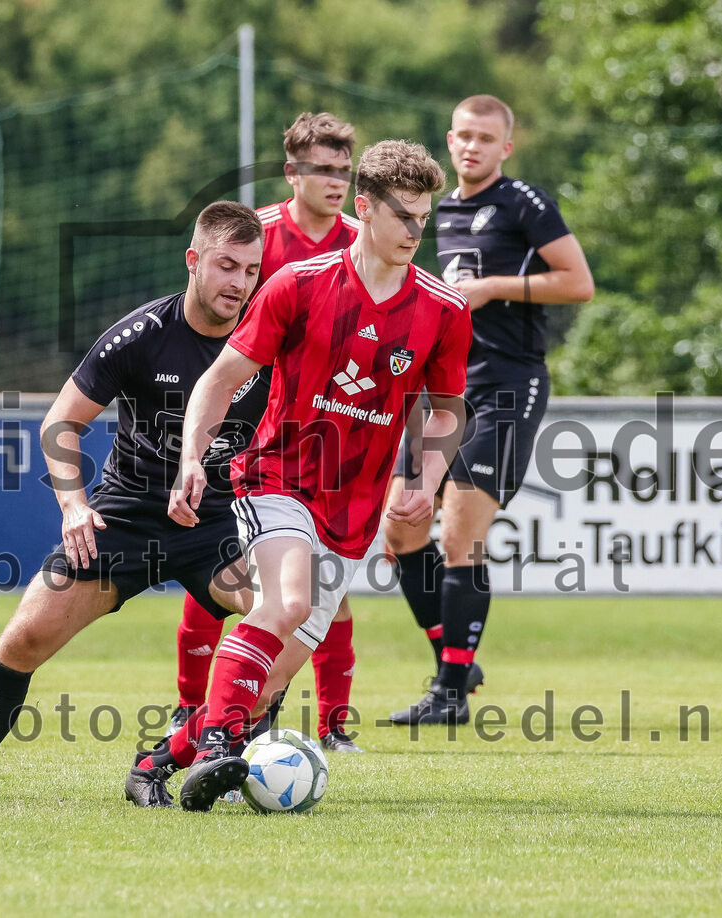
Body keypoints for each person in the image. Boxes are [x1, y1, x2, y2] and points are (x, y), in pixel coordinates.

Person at [140, 139, 472, 812]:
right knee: (285, 602)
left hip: (353, 514)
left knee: (267, 683)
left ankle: (154, 765)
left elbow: (447, 410)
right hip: (276, 480)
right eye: (402, 215)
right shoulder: (298, 285)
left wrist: (427, 478)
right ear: (365, 207)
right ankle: (217, 751)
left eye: (424, 217)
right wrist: (189, 461)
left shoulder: (444, 310)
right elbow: (219, 380)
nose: (414, 231)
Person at [0, 202, 269, 803]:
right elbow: (60, 422)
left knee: (281, 623)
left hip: (218, 521)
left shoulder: (264, 340)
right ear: (193, 261)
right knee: (23, 640)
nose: (238, 283)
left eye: (251, 271)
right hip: (125, 517)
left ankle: (221, 767)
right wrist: (73, 506)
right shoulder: (142, 333)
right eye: (227, 265)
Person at [382, 94, 594, 726]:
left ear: (506, 147)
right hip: (446, 390)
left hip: (508, 383)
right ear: (449, 140)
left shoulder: (523, 203)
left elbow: (577, 282)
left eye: (485, 138)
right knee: (399, 527)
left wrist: (492, 288)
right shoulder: (440, 209)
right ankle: (455, 661)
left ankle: (448, 693)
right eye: (463, 135)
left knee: (459, 533)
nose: (471, 146)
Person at [170, 111, 365, 753]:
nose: (335, 181)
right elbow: (218, 321)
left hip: (330, 427)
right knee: (225, 568)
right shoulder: (262, 237)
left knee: (324, 584)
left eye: (345, 170)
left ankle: (333, 724)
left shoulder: (363, 243)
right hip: (254, 423)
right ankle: (192, 710)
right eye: (322, 169)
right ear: (292, 173)